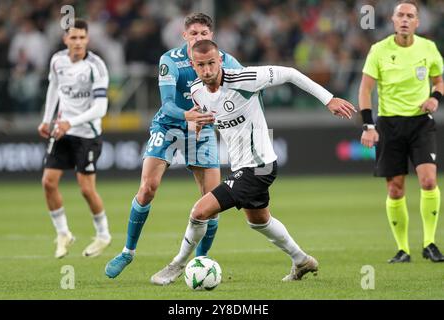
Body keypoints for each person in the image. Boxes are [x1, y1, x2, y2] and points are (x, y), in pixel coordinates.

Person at [150, 39, 356, 285]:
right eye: (201, 65)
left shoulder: (244, 79)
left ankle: (177, 265)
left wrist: (328, 99)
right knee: (258, 221)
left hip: (260, 165)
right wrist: (197, 125)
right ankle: (301, 260)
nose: (207, 70)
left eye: (211, 63)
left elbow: (289, 73)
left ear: (220, 61)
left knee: (199, 211)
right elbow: (203, 113)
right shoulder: (196, 90)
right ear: (193, 66)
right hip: (241, 166)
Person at [105, 13, 243, 278]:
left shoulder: (226, 61)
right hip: (169, 125)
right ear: (185, 36)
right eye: (194, 34)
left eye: (204, 33)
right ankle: (127, 252)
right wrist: (187, 115)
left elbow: (242, 92)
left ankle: (199, 263)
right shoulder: (170, 60)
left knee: (211, 202)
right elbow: (167, 104)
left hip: (200, 130)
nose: (199, 38)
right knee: (147, 188)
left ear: (211, 35)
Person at [359, 0, 444, 263]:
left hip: (420, 122)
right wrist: (369, 126)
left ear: (418, 22)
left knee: (429, 181)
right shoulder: (379, 50)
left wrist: (435, 98)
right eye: (401, 15)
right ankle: (402, 249)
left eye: (410, 15)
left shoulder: (428, 48)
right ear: (393, 21)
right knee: (395, 189)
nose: (405, 19)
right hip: (389, 124)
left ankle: (429, 243)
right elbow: (365, 90)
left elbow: (439, 80)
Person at [38, 19, 111, 259]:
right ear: (65, 39)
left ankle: (103, 235)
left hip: (87, 134)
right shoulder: (57, 61)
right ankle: (63, 233)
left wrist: (71, 122)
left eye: (82, 38)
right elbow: (53, 88)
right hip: (62, 130)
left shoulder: (96, 66)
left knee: (86, 190)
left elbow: (100, 108)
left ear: (88, 39)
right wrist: (47, 119)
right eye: (73, 38)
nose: (78, 42)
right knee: (48, 182)